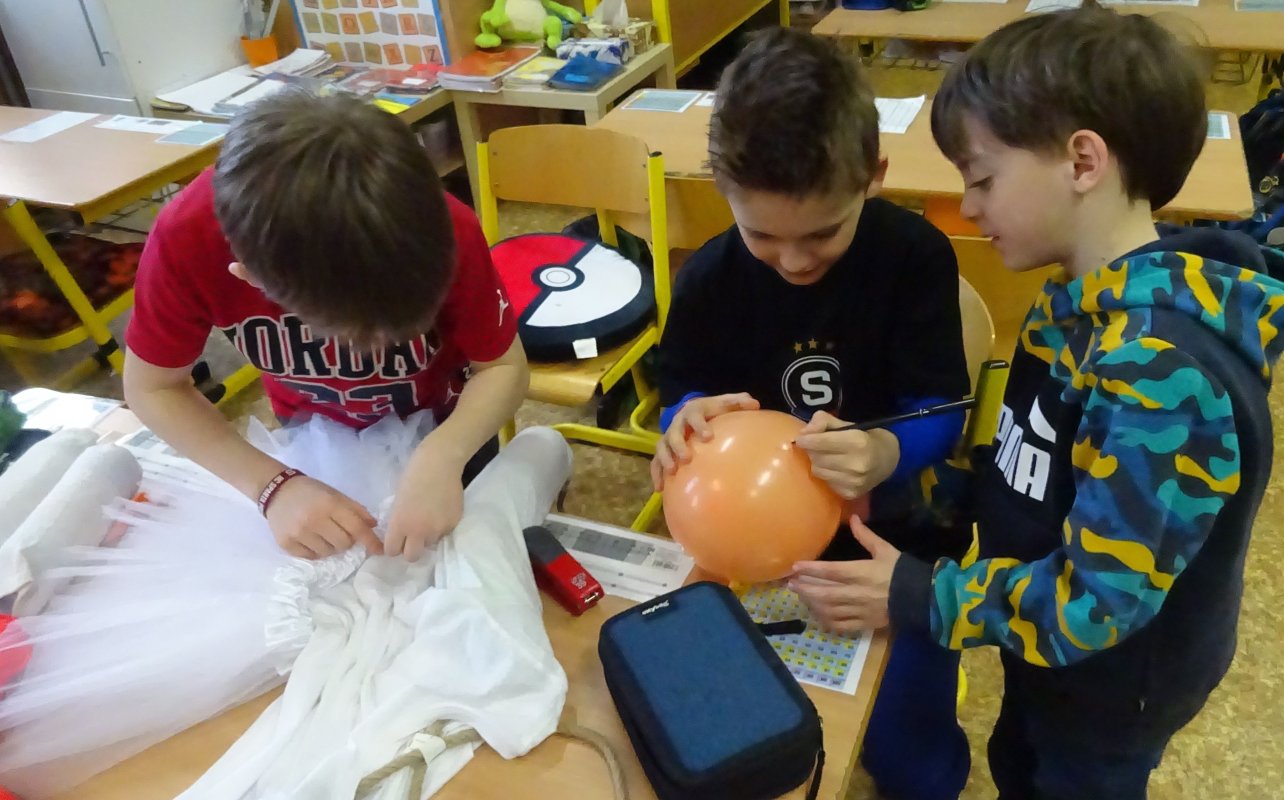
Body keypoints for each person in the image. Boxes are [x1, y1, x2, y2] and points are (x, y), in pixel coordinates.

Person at [787, 8, 1284, 798]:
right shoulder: (1073, 304)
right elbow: (1031, 465)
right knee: (1020, 762)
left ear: (1083, 161)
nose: (968, 207)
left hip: (1111, 693)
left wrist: (924, 595)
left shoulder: (1160, 378)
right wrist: (906, 489)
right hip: (1039, 647)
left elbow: (1095, 604)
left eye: (983, 178)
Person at [652, 27, 973, 799]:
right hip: (743, 542)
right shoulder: (709, 280)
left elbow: (942, 408)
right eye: (762, 234)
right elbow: (679, 393)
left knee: (906, 739)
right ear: (721, 189)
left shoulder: (915, 258)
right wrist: (688, 418)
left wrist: (887, 451)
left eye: (823, 233)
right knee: (717, 713)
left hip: (889, 536)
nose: (794, 261)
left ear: (873, 177)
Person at [124, 91, 529, 564]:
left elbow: (502, 366)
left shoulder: (440, 226)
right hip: (314, 437)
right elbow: (153, 388)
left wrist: (445, 454)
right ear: (249, 277)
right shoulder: (186, 240)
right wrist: (271, 485)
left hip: (450, 424)